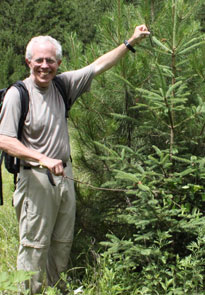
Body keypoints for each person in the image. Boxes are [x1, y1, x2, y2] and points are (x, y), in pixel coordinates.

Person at [0, 24, 150, 294]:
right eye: (39, 61)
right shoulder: (17, 94)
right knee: (34, 244)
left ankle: (57, 288)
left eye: (50, 61)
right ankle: (29, 291)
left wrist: (130, 42)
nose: (44, 66)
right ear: (28, 62)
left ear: (58, 62)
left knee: (61, 240)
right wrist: (42, 158)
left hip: (63, 176)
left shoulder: (63, 84)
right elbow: (5, 140)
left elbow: (99, 65)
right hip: (35, 178)